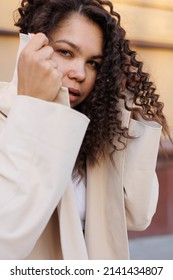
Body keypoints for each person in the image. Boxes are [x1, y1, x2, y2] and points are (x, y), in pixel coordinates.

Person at [0, 0, 170, 260]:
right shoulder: (6, 118)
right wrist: (33, 107)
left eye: (94, 63)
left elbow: (138, 215)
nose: (80, 73)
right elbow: (6, 236)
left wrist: (127, 108)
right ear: (32, 47)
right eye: (66, 52)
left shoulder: (93, 133)